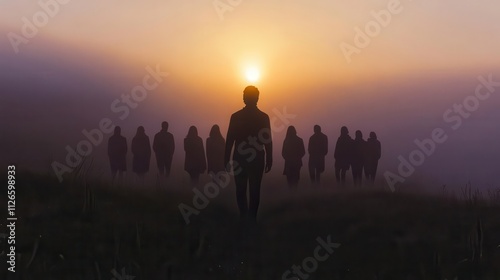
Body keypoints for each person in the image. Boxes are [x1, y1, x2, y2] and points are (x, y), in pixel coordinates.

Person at [224, 85, 272, 222]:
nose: (246, 98)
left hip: (242, 157)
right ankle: (250, 217)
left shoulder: (236, 117)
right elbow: (268, 140)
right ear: (257, 98)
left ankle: (246, 216)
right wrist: (269, 157)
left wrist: (226, 158)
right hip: (255, 158)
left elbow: (229, 140)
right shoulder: (263, 117)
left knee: (242, 189)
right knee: (253, 189)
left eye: (247, 95)